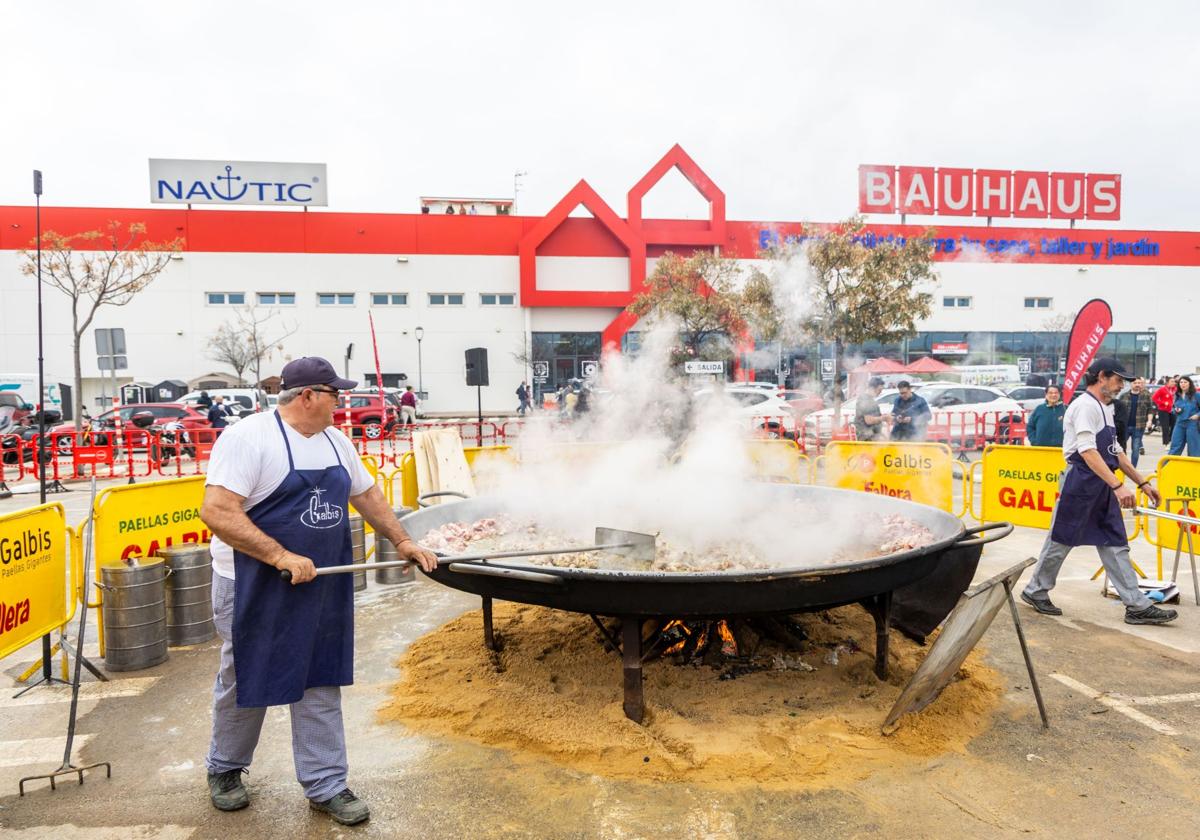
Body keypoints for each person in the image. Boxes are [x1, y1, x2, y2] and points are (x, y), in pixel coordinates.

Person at [199, 357, 438, 825]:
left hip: (319, 583)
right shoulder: (249, 439)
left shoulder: (336, 442)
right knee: (247, 676)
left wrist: (403, 540)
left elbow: (367, 495)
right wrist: (279, 556)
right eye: (335, 395)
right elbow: (218, 511)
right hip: (251, 582)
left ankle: (326, 784)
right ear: (307, 395)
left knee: (319, 678)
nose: (342, 404)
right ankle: (225, 768)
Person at [1021, 358, 1177, 626]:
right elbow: (1087, 451)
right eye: (1118, 380)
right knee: (1062, 538)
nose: (1121, 386)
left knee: (1114, 540)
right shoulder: (1084, 407)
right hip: (1081, 480)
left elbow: (1115, 451)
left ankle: (1136, 605)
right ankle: (1036, 590)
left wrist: (1142, 483)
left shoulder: (1106, 408)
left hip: (1100, 481)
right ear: (1101, 377)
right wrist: (1117, 486)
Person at [1123, 378, 1152, 468]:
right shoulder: (1124, 395)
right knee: (1121, 448)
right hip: (1125, 427)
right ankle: (1122, 466)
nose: (1137, 384)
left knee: (1135, 449)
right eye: (1135, 383)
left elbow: (1150, 409)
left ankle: (1133, 468)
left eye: (1139, 383)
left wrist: (1149, 421)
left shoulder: (1146, 395)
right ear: (1131, 384)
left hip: (1139, 427)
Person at [1169, 375, 1200, 456]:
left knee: (1194, 449)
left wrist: (1198, 415)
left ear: (1190, 383)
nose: (1183, 384)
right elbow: (1172, 409)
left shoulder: (1196, 395)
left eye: (1185, 382)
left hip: (1192, 424)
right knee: (1175, 447)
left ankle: (1195, 468)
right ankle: (1166, 467)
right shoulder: (1177, 395)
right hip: (1179, 423)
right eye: (1181, 382)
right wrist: (1175, 410)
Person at [1152, 376, 1178, 445]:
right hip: (1163, 410)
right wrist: (1163, 403)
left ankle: (1170, 439)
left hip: (1173, 410)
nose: (1174, 383)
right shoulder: (1162, 389)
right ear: (1167, 382)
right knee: (1165, 427)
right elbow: (1154, 398)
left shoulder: (1175, 389)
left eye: (1174, 381)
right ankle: (1166, 443)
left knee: (1174, 425)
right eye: (1172, 381)